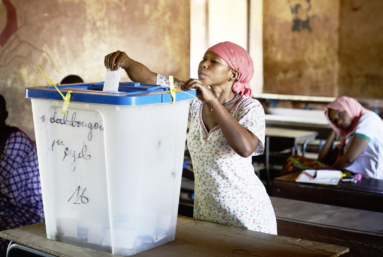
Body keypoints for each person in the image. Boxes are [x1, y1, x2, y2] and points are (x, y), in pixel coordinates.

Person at [104, 42, 277, 234]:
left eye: (214, 61)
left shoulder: (249, 108)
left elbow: (245, 148)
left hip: (246, 214)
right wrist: (127, 62)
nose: (204, 64)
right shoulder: (193, 99)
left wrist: (212, 100)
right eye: (204, 58)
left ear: (233, 74)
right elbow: (150, 79)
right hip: (207, 213)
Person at [281, 96, 383, 180]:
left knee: (294, 161)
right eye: (334, 121)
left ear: (350, 107)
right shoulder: (349, 133)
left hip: (366, 179)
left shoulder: (368, 119)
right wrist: (335, 130)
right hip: (353, 176)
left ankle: (275, 196)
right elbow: (322, 159)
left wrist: (329, 171)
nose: (338, 122)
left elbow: (349, 159)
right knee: (299, 172)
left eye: (340, 113)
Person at [0, 95, 44, 257]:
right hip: (6, 208)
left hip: (27, 212)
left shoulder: (16, 140)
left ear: (4, 115)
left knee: (3, 240)